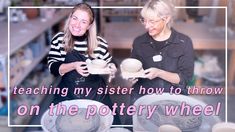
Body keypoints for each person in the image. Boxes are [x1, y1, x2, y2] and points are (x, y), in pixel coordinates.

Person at [47, 3, 117, 105]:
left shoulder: (99, 43)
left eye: (83, 22)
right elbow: (52, 68)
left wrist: (112, 66)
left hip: (95, 94)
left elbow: (109, 60)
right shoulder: (59, 39)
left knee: (109, 119)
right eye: (75, 18)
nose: (77, 25)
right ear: (70, 18)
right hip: (68, 93)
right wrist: (73, 66)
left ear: (89, 25)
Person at [129, 0, 194, 103]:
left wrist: (159, 73)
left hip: (173, 97)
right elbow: (133, 68)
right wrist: (131, 76)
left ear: (166, 19)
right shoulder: (139, 42)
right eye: (144, 20)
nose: (146, 26)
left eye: (152, 21)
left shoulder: (184, 42)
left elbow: (185, 78)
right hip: (144, 95)